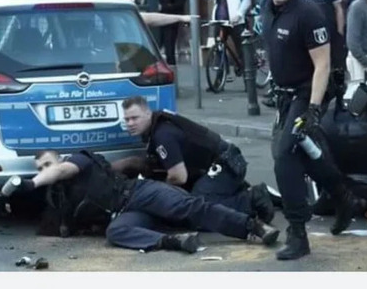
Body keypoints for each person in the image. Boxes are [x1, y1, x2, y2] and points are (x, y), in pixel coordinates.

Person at [1, 150, 280, 253]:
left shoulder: (77, 160)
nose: (44, 170)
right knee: (116, 232)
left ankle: (253, 227)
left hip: (138, 192)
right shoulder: (59, 197)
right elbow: (56, 228)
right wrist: (15, 202)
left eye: (47, 164)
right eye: (39, 169)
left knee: (189, 208)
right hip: (126, 213)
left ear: (59, 159)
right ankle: (174, 242)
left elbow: (60, 171)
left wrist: (32, 183)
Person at [262, 0, 358, 260]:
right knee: (304, 153)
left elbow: (322, 65)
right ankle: (342, 197)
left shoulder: (308, 13)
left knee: (284, 156)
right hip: (284, 96)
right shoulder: (267, 7)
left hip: (307, 94)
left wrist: (314, 109)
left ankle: (297, 233)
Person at [113, 96, 275, 224]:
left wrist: (160, 193)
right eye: (127, 120)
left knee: (198, 209)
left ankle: (253, 199)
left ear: (148, 114)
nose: (130, 123)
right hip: (220, 164)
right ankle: (254, 195)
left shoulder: (162, 135)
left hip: (227, 164)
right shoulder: (158, 125)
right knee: (194, 200)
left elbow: (179, 177)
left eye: (135, 118)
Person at [299, 0, 347, 110]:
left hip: (330, 33)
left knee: (337, 69)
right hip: (307, 36)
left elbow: (338, 9)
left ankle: (339, 99)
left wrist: (340, 33)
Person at [204, 0, 252, 81]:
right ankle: (220, 79)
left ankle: (248, 80)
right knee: (219, 48)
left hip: (236, 21)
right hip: (219, 21)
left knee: (242, 49)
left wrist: (239, 14)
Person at [159, 0, 187, 67]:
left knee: (169, 47)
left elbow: (179, 4)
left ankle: (171, 66)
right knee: (159, 44)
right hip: (161, 20)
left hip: (170, 21)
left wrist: (163, 7)